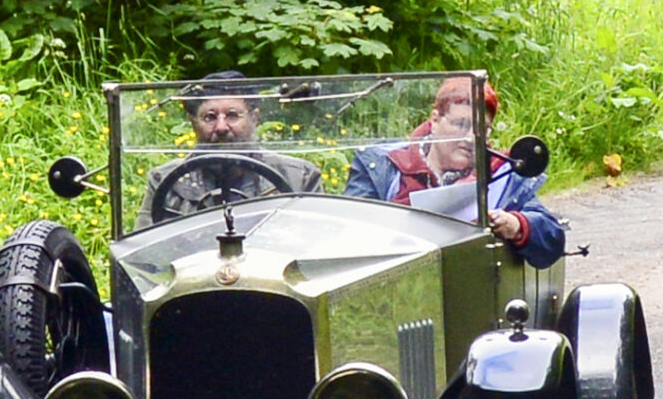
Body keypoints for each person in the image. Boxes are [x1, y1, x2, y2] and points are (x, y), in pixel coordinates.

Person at [344, 79, 565, 268]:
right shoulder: (384, 166)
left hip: (474, 295)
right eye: (461, 124)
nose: (470, 138)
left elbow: (552, 237)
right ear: (435, 120)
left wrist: (517, 225)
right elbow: (349, 234)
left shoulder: (502, 174)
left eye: (482, 129)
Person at [138, 70, 325, 226]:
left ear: (254, 118)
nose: (221, 127)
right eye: (209, 117)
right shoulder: (165, 181)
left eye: (232, 115)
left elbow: (316, 247)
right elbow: (142, 254)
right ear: (193, 124)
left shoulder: (300, 178)